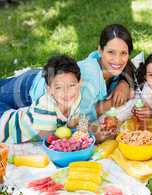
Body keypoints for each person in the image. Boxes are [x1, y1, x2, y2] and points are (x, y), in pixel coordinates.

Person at [0, 24, 135, 123]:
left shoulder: (111, 68)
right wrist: (111, 103)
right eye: (111, 52)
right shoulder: (90, 77)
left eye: (123, 53)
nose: (117, 60)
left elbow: (132, 68)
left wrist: (124, 83)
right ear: (100, 50)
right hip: (27, 89)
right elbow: (77, 119)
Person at [0, 55, 82, 143]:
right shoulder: (46, 108)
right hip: (5, 126)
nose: (67, 92)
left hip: (17, 114)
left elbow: (72, 122)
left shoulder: (76, 96)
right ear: (49, 89)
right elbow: (47, 142)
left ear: (79, 83)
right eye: (59, 87)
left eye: (71, 85)